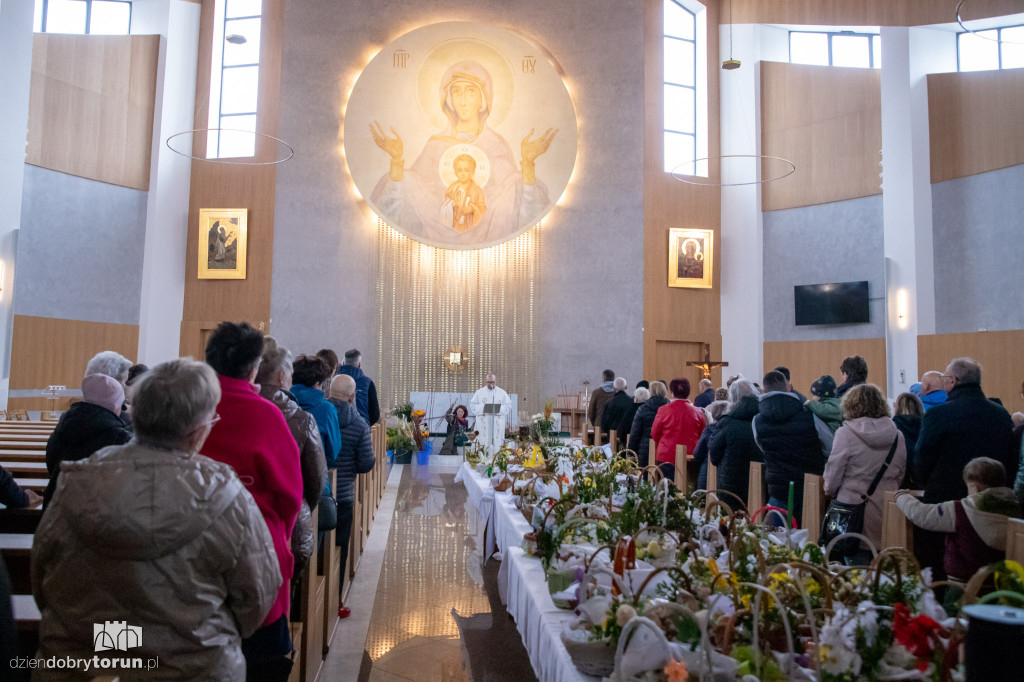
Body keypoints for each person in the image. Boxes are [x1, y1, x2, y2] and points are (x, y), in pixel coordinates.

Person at [32, 359, 282, 681]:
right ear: (197, 430)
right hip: (193, 668)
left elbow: (42, 580)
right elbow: (256, 599)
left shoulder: (75, 481)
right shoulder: (228, 495)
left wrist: (118, 642)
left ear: (135, 414)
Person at [201, 321, 302, 679]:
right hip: (253, 566)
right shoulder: (265, 414)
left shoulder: (188, 409)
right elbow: (290, 497)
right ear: (254, 368)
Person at [369, 60, 555, 247]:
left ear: (483, 98)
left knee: (514, 184)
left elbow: (525, 216)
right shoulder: (435, 145)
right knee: (407, 178)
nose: (463, 100)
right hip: (433, 242)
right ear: (448, 98)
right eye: (456, 91)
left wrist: (528, 164)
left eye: (471, 91)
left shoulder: (497, 145)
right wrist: (396, 160)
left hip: (493, 243)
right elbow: (395, 210)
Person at [257, 338, 327, 606]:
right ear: (283, 375)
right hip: (284, 523)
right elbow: (316, 479)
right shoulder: (298, 417)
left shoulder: (220, 407)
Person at [897, 458, 1020, 590]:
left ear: (974, 487)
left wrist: (902, 497)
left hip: (962, 586)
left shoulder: (961, 509)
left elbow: (923, 515)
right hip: (999, 586)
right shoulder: (1015, 510)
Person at [913, 357, 1016, 505]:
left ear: (953, 381)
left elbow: (922, 457)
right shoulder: (1002, 415)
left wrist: (930, 484)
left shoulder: (938, 415)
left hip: (946, 501)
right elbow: (1011, 461)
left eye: (945, 378)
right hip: (991, 503)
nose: (943, 382)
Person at [823, 384, 907, 558]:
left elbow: (833, 476)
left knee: (854, 573)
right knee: (882, 573)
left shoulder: (845, 433)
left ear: (850, 405)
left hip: (852, 513)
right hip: (887, 511)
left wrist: (830, 491)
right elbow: (900, 472)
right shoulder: (897, 435)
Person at [43, 355, 133, 507]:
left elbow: (52, 463)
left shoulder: (65, 423)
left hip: (57, 506)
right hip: (96, 513)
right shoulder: (119, 436)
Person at [752, 370, 834, 525]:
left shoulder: (757, 421)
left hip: (778, 490)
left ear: (764, 390)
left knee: (776, 544)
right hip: (809, 490)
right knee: (809, 546)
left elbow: (763, 449)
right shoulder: (810, 415)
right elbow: (830, 448)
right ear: (788, 388)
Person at [327, 375, 375, 618]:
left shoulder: (316, 415)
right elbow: (366, 464)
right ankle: (335, 600)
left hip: (316, 493)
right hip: (343, 494)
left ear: (328, 391)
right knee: (339, 546)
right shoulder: (358, 424)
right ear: (353, 396)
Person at [709, 379, 762, 510]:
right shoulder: (762, 418)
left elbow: (714, 452)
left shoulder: (727, 421)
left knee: (730, 520)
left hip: (731, 479)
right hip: (760, 479)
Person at [650, 378, 706, 483]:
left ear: (672, 392)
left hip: (667, 455)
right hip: (690, 456)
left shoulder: (663, 410)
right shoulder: (698, 412)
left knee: (668, 490)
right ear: (688, 393)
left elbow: (655, 433)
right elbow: (702, 434)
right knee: (688, 490)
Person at [291, 355, 342, 468]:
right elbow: (333, 452)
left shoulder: (281, 403)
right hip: (315, 474)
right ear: (317, 384)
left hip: (286, 474)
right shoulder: (327, 409)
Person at [628, 381, 670, 468]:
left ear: (650, 392)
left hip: (645, 449)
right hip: (666, 450)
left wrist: (630, 452)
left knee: (646, 478)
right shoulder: (670, 409)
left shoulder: (643, 409)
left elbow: (635, 433)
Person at [443, 154, 487, 231]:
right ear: (455, 172)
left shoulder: (477, 190)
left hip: (469, 224)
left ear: (472, 172)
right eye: (459, 170)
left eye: (466, 170)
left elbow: (482, 207)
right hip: (454, 223)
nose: (463, 173)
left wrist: (473, 208)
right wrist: (452, 204)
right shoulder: (452, 187)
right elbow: (445, 203)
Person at [337, 348, 381, 426]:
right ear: (359, 365)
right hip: (362, 428)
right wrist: (365, 426)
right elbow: (375, 414)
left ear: (343, 363)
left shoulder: (335, 381)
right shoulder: (368, 383)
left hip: (337, 429)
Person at [470, 373, 511, 453]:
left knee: (497, 443)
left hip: (497, 423)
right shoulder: (479, 393)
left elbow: (508, 406)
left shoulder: (502, 393)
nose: (491, 384)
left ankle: (497, 458)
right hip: (484, 424)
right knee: (483, 442)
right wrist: (484, 408)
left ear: (496, 381)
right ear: (486, 382)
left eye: (492, 382)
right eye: (488, 382)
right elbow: (473, 406)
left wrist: (497, 409)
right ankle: (482, 459)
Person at [694, 400, 728, 489]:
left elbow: (697, 454)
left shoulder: (708, 430)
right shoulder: (731, 431)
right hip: (725, 476)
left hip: (706, 474)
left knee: (703, 500)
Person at [892, 392, 924, 474]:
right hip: (920, 470)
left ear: (898, 407)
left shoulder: (893, 427)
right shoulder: (926, 425)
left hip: (900, 471)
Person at [600, 377, 634, 445]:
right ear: (626, 387)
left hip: (612, 435)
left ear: (614, 388)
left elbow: (604, 423)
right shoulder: (632, 402)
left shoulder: (609, 403)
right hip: (627, 436)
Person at [617, 385, 649, 456]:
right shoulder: (651, 409)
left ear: (636, 399)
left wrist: (623, 440)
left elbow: (623, 428)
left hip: (633, 445)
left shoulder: (631, 410)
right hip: (649, 447)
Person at [587, 369, 616, 445]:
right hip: (615, 429)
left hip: (599, 428)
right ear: (614, 379)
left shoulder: (596, 392)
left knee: (598, 453)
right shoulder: (617, 393)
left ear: (603, 379)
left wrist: (596, 424)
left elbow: (590, 412)